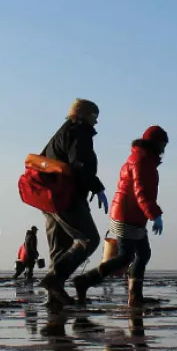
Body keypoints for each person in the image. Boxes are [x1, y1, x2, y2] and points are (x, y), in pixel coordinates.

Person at [71, 126, 168, 308]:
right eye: (163, 144)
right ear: (155, 143)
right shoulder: (142, 160)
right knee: (126, 256)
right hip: (128, 215)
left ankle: (134, 295)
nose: (164, 149)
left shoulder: (141, 158)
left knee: (140, 254)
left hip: (131, 214)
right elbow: (141, 192)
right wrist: (155, 214)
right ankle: (85, 281)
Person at [38, 99, 107, 307]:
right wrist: (97, 186)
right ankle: (55, 280)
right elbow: (79, 164)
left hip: (50, 201)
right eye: (94, 116)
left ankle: (54, 299)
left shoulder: (59, 134)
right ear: (84, 115)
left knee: (60, 248)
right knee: (89, 240)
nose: (96, 121)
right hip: (67, 197)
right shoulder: (78, 132)